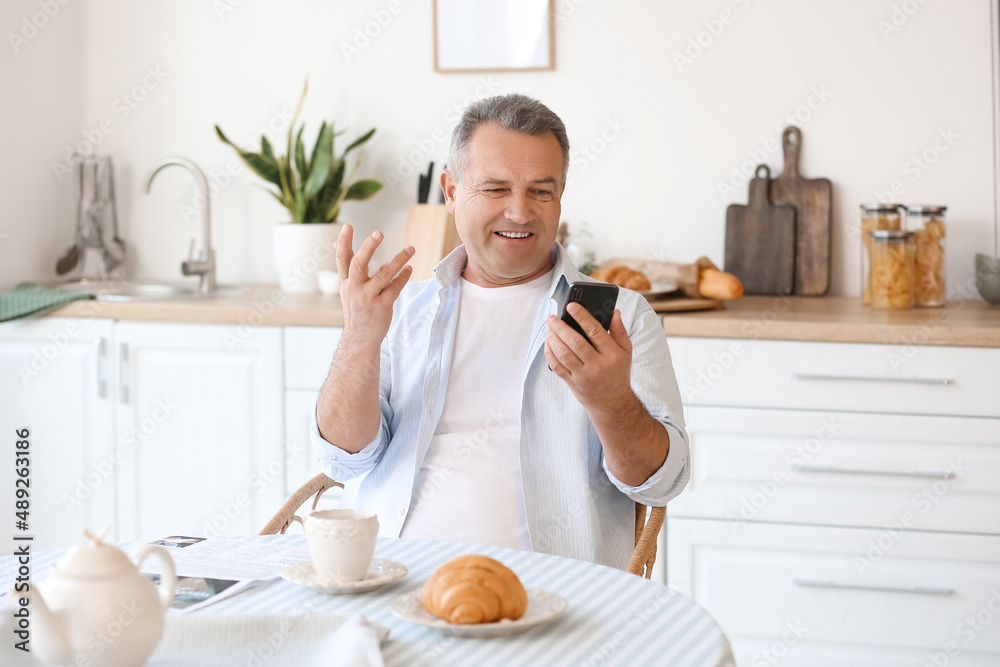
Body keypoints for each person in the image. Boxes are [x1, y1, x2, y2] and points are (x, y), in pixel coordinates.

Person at [311, 93, 688, 569]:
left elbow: (661, 483)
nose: (520, 212)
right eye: (494, 189)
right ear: (450, 192)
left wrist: (610, 400)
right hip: (389, 584)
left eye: (541, 190)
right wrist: (358, 340)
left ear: (561, 194)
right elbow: (343, 462)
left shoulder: (621, 318)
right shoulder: (400, 310)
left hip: (555, 604)